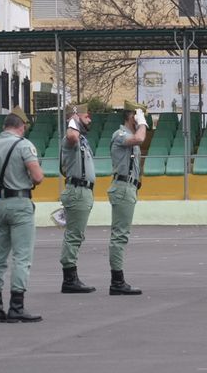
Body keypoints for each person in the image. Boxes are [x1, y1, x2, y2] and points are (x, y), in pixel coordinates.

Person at [0, 109, 43, 323]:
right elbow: (38, 177)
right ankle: (16, 306)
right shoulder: (24, 145)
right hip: (20, 203)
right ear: (21, 126)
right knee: (21, 256)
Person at [57, 99, 104, 294]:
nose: (89, 119)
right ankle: (69, 279)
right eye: (85, 116)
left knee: (76, 234)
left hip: (82, 191)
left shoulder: (82, 140)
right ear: (75, 118)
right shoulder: (71, 138)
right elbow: (72, 136)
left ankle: (71, 276)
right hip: (77, 191)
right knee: (74, 235)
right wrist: (73, 120)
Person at [108, 100, 149, 295]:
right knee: (120, 235)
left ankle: (117, 279)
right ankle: (117, 281)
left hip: (129, 187)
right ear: (131, 116)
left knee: (122, 234)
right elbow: (140, 139)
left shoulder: (129, 135)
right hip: (123, 187)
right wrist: (141, 123)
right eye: (139, 115)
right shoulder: (120, 135)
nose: (143, 120)